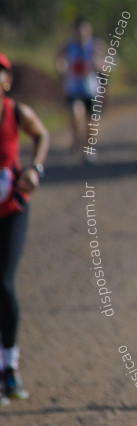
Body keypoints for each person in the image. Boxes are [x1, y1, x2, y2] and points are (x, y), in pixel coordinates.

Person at [0, 52, 50, 406]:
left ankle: (10, 367)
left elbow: (43, 135)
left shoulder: (17, 113)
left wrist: (35, 170)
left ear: (7, 81)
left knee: (3, 283)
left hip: (12, 210)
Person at [55, 18, 99, 161]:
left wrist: (98, 64)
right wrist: (60, 67)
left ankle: (88, 148)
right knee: (75, 114)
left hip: (90, 89)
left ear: (89, 31)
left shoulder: (95, 46)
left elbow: (105, 63)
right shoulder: (69, 46)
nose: (81, 35)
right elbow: (58, 59)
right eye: (78, 32)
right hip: (74, 88)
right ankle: (76, 139)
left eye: (84, 32)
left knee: (91, 122)